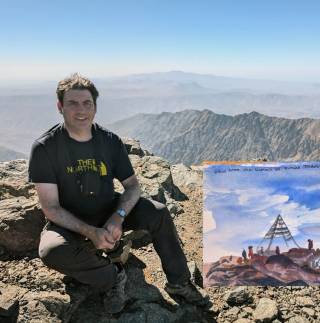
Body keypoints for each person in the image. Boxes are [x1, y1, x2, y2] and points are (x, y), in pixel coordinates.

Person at [29, 73, 208, 314]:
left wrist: (118, 216)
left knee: (159, 213)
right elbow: (51, 207)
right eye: (72, 103)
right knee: (50, 251)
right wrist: (91, 232)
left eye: (87, 103)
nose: (81, 110)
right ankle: (112, 277)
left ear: (95, 106)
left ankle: (179, 282)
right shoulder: (45, 148)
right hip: (70, 220)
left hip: (108, 209)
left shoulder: (110, 142)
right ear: (60, 106)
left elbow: (132, 186)